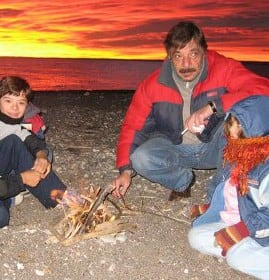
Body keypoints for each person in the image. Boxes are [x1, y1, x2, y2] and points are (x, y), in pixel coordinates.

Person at [112, 21, 269, 201]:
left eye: (193, 54)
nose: (186, 64)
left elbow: (263, 90)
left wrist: (213, 107)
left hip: (217, 147)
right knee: (141, 158)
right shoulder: (152, 85)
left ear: (204, 51)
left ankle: (218, 195)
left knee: (245, 117)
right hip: (176, 147)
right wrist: (125, 170)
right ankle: (182, 181)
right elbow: (132, 127)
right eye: (178, 56)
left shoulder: (224, 68)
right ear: (169, 56)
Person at [188, 95, 269, 279]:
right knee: (196, 236)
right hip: (244, 223)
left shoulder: (265, 169)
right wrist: (210, 208)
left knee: (236, 258)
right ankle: (242, 248)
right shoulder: (239, 155)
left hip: (261, 229)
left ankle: (242, 251)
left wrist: (241, 231)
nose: (229, 134)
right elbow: (234, 194)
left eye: (234, 126)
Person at [0, 76, 67, 228]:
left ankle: (60, 197)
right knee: (2, 218)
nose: (15, 108)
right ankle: (9, 196)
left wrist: (41, 156)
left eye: (21, 103)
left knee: (15, 142)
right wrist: (22, 179)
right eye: (8, 101)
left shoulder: (11, 125)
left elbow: (31, 140)